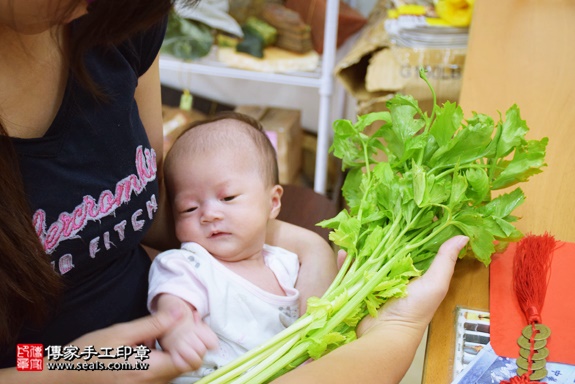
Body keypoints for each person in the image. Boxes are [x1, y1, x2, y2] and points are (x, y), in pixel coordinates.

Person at [0, 0, 468, 383]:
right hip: (72, 361)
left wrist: (302, 246)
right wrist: (69, 368)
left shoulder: (117, 17)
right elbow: (29, 363)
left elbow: (146, 205)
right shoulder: (172, 284)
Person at [148, 112, 310, 382]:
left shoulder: (286, 265)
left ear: (273, 202)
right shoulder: (189, 263)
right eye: (189, 208)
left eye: (228, 197)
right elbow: (174, 299)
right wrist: (177, 327)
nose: (209, 214)